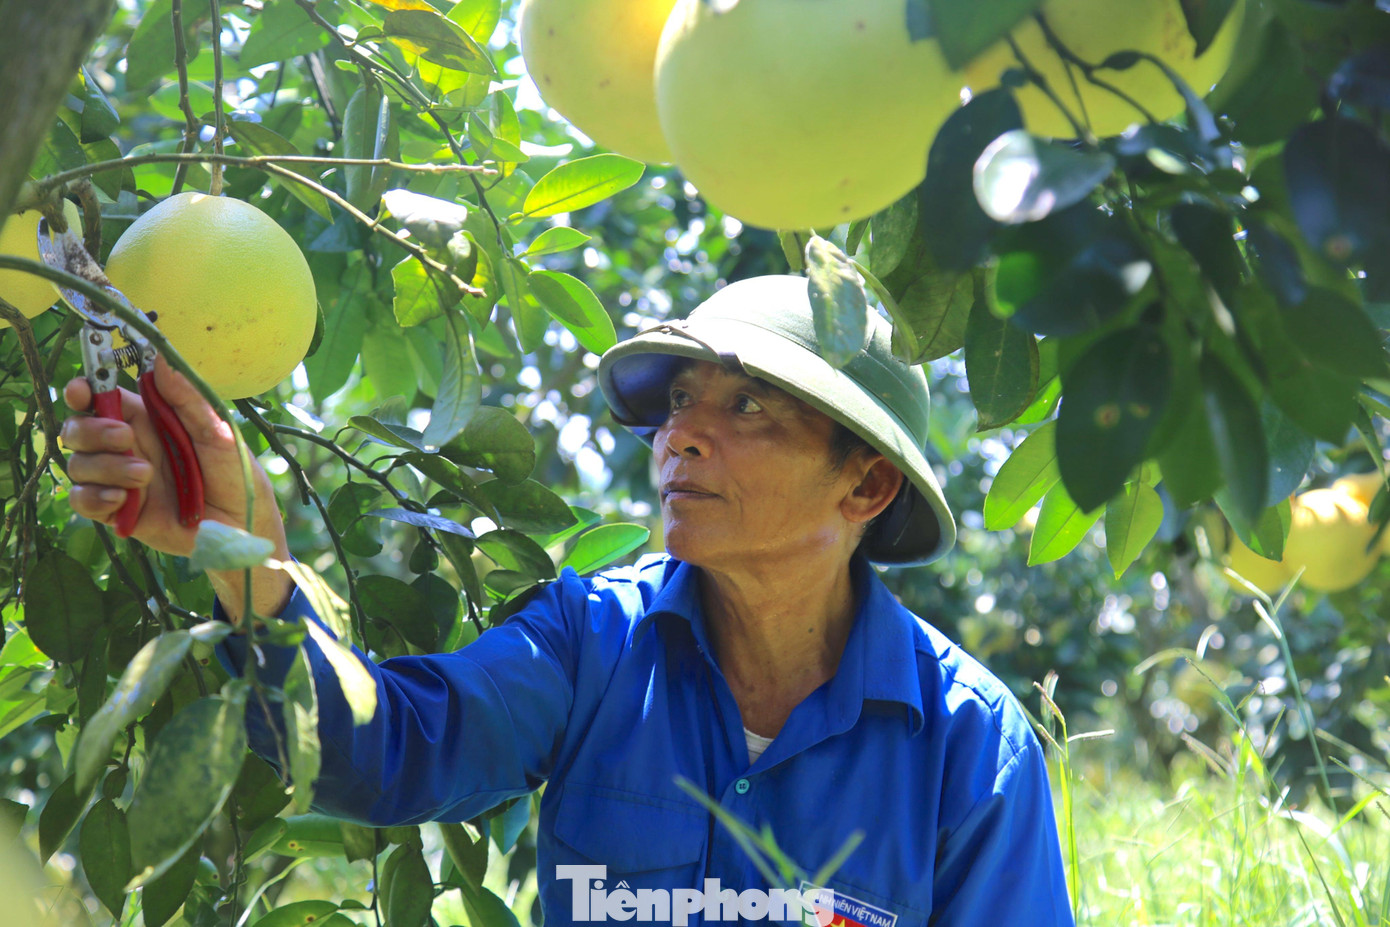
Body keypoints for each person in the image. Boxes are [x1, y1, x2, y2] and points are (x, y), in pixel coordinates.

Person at [61, 274, 1075, 926]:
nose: (679, 437)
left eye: (747, 406)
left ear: (864, 487)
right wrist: (235, 536)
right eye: (678, 401)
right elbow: (376, 754)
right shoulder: (590, 643)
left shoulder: (965, 746)